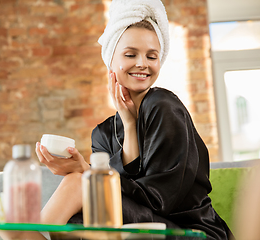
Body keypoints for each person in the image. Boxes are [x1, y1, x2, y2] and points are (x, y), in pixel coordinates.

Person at [36, 0, 233, 239]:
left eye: (152, 56)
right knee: (79, 218)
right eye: (131, 54)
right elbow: (114, 202)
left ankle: (28, 235)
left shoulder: (164, 106)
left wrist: (89, 171)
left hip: (190, 231)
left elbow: (159, 200)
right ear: (111, 60)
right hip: (139, 228)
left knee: (80, 184)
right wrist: (128, 124)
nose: (142, 63)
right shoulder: (103, 133)